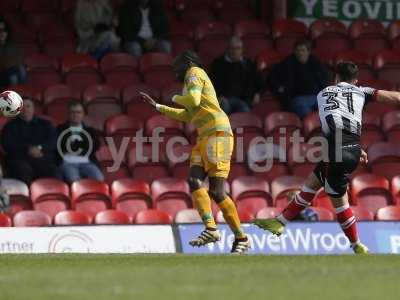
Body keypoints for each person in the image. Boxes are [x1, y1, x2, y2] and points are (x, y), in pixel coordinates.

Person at [253, 61, 400, 254]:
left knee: (340, 202)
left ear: (336, 78)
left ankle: (357, 245)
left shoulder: (323, 93)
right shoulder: (361, 91)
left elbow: (335, 119)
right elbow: (394, 98)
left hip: (336, 152)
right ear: (355, 80)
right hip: (349, 150)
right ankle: (280, 223)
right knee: (312, 185)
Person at [140, 50, 250, 253]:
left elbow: (193, 101)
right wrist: (158, 106)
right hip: (204, 136)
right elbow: (188, 115)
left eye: (177, 66)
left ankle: (241, 238)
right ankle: (211, 228)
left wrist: (173, 96)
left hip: (218, 133)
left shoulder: (194, 72)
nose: (175, 70)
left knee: (216, 192)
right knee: (194, 181)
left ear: (187, 62)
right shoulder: (190, 81)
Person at [1, 99, 61, 185]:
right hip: (20, 159)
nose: (25, 109)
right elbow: (7, 145)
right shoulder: (10, 126)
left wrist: (39, 148)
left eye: (28, 106)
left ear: (33, 109)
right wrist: (28, 149)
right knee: (23, 170)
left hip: (42, 158)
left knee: (54, 171)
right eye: (22, 107)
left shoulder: (46, 124)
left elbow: (53, 141)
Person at [267, 39, 329, 118]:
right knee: (306, 111)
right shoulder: (288, 62)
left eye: (303, 50)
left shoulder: (316, 63)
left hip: (315, 96)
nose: (300, 53)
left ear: (308, 52)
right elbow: (272, 76)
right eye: (297, 51)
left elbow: (324, 81)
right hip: (297, 98)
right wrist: (279, 87)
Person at [210, 36, 263, 114]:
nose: (235, 51)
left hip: (244, 100)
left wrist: (258, 93)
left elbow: (260, 82)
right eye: (232, 48)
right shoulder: (218, 64)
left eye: (238, 48)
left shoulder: (248, 64)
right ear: (227, 49)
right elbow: (211, 83)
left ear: (242, 50)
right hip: (224, 99)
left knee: (244, 114)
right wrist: (217, 96)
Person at [56, 101, 103, 184]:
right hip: (68, 163)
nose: (75, 115)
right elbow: (61, 146)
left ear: (83, 114)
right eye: (72, 112)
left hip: (87, 163)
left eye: (78, 112)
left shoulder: (90, 131)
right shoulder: (60, 129)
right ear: (68, 114)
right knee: (75, 182)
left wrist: (73, 145)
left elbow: (96, 146)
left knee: (100, 179)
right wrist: (83, 145)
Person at [0, 17, 27, 87]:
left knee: (21, 69)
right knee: (13, 76)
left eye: (4, 30)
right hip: (2, 75)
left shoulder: (12, 46)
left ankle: (22, 90)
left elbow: (19, 59)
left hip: (12, 71)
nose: (2, 33)